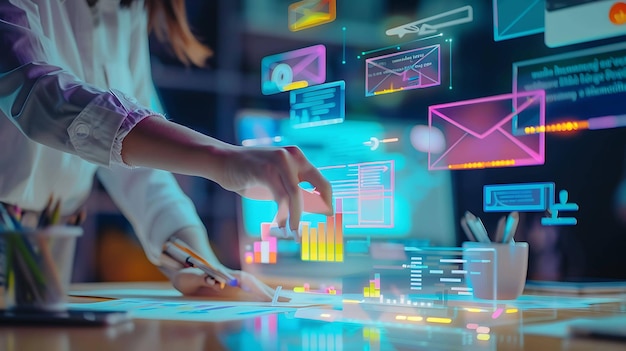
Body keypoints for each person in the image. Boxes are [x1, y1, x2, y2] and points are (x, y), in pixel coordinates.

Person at [0, 0, 333, 300]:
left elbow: (137, 159)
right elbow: (33, 92)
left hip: (52, 240)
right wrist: (220, 158)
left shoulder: (126, 8)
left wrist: (200, 264)